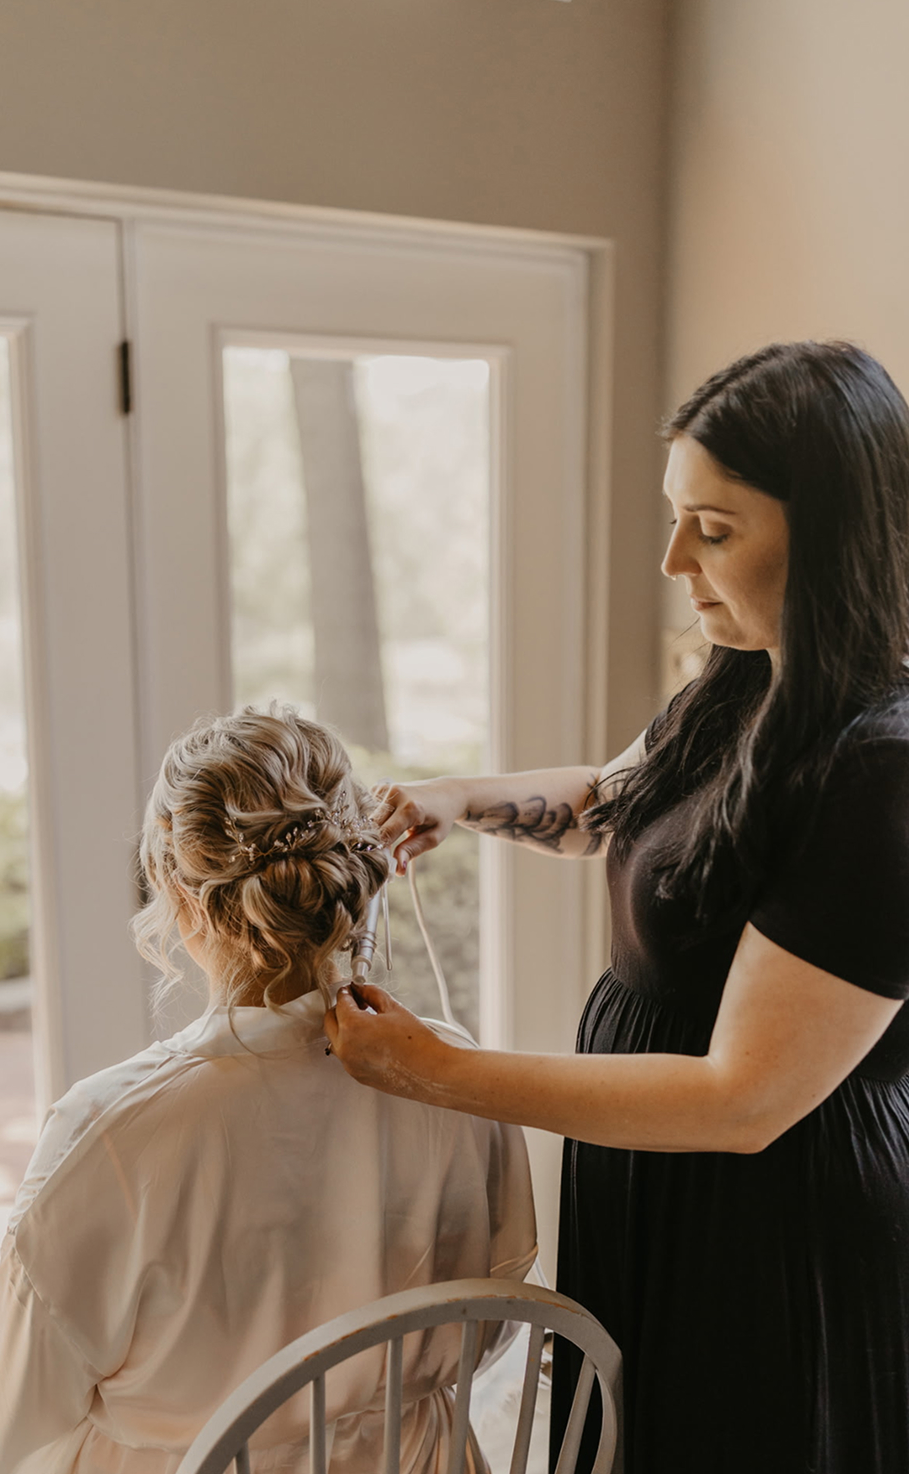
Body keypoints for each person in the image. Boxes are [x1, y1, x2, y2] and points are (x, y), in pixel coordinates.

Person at [325, 341, 909, 1474]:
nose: (673, 559)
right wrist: (459, 800)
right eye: (675, 517)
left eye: (715, 530)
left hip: (773, 1226)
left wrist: (435, 1072)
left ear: (834, 539)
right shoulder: (745, 677)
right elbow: (617, 803)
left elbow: (743, 1100)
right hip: (659, 1178)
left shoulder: (877, 775)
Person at [0, 709, 536, 1474]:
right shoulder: (454, 1073)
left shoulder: (106, 1132)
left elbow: (27, 1414)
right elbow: (492, 1319)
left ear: (180, 897)